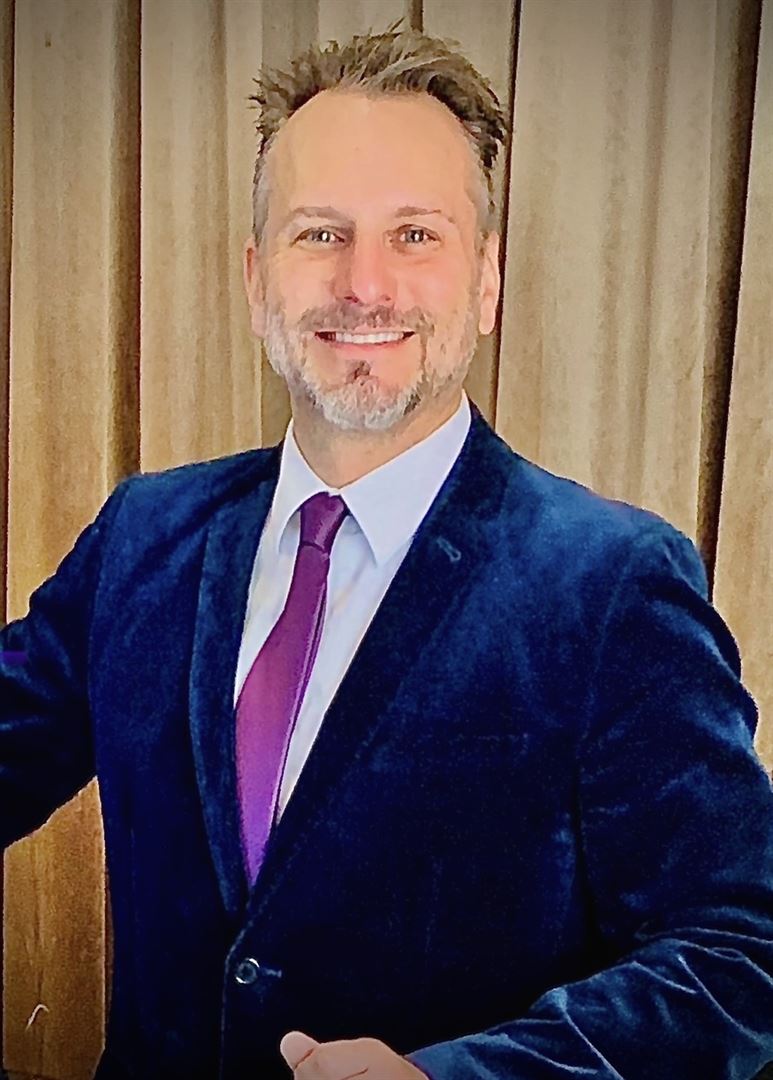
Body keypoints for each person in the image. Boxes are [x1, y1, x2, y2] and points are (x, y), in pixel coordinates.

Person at [1, 21, 773, 1080]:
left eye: (415, 234)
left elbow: (739, 954)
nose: (364, 284)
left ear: (486, 280)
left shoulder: (611, 586)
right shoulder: (143, 534)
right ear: (255, 280)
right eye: (319, 232)